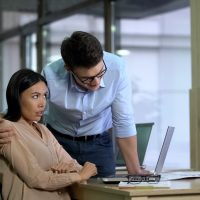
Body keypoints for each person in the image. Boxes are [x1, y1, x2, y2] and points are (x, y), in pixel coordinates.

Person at [0, 31, 148, 177]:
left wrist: (135, 171)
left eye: (101, 73)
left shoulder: (117, 68)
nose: (96, 83)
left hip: (99, 143)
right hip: (58, 142)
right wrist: (4, 123)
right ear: (68, 69)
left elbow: (123, 120)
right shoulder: (51, 75)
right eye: (87, 79)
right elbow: (27, 107)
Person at [0, 69, 97, 200]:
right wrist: (78, 176)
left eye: (44, 95)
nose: (42, 103)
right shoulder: (7, 129)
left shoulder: (43, 129)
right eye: (35, 96)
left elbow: (75, 165)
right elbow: (34, 177)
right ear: (16, 98)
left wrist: (70, 169)